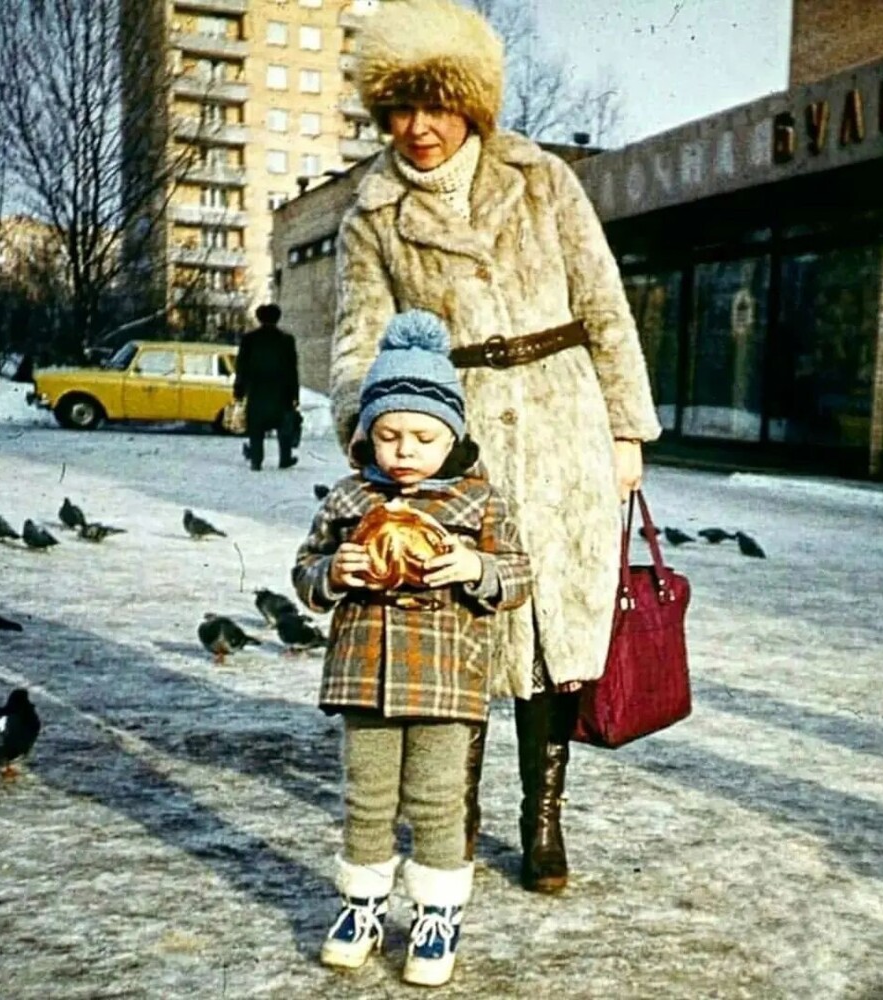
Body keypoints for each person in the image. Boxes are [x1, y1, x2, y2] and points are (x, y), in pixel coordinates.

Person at [329, 0, 662, 894]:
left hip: (564, 426)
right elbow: (359, 343)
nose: (419, 128)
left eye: (436, 106)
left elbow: (603, 303)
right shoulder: (374, 211)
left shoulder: (542, 178)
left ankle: (542, 816)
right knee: (463, 619)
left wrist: (626, 425)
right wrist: (368, 441)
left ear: (471, 104)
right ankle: (456, 812)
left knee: (555, 629)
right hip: (452, 436)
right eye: (400, 109)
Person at [293, 309, 532, 987]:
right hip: (364, 677)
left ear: (451, 435)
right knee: (366, 799)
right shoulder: (349, 498)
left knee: (435, 801)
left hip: (445, 682)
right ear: (367, 434)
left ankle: (435, 915)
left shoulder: (479, 502)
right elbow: (305, 572)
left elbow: (517, 575)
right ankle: (361, 905)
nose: (402, 450)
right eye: (387, 435)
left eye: (422, 436)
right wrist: (333, 572)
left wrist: (473, 569)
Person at [233, 303, 300, 471]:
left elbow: (241, 366)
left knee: (256, 427)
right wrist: (294, 394)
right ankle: (285, 458)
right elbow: (292, 369)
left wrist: (239, 390)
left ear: (259, 318)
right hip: (281, 391)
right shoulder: (286, 340)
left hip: (257, 390)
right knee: (283, 426)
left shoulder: (249, 339)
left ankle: (256, 460)